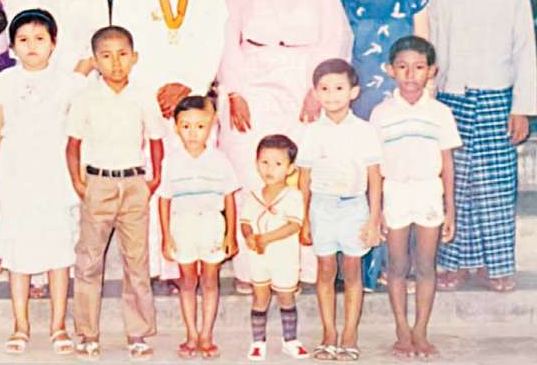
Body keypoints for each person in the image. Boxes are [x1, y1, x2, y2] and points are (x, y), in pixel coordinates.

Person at [217, 0, 353, 293]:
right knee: (250, 167)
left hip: (301, 82)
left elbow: (336, 39)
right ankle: (251, 269)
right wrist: (235, 91)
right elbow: (227, 40)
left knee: (300, 172)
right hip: (252, 78)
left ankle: (301, 268)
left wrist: (317, 90)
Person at [112, 0, 227, 285]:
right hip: (147, 97)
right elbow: (124, 42)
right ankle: (153, 264)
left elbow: (214, 43)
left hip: (193, 102)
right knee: (152, 180)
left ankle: (188, 263)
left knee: (192, 182)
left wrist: (189, 89)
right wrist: (155, 90)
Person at [426, 0, 536, 292]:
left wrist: (522, 107)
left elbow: (525, 48)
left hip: (496, 99)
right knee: (455, 184)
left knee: (495, 185)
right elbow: (430, 52)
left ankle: (498, 265)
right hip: (451, 99)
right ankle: (456, 263)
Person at [0, 9, 92, 355]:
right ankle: (21, 325)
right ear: (12, 46)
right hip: (15, 175)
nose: (32, 46)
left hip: (55, 175)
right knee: (19, 253)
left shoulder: (70, 83)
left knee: (59, 252)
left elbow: (79, 135)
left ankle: (59, 326)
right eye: (24, 39)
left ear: (53, 44)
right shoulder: (2, 83)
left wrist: (80, 179)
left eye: (40, 39)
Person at [340, 0, 429, 290]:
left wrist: (423, 103)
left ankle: (399, 265)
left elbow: (424, 52)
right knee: (363, 182)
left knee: (400, 181)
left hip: (403, 101)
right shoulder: (344, 0)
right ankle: (361, 265)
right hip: (360, 103)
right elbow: (341, 54)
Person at [66, 26, 164, 361]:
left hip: (134, 183)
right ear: (95, 61)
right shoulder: (85, 97)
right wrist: (79, 182)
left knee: (137, 261)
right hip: (98, 183)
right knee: (89, 261)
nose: (116, 63)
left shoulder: (143, 95)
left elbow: (155, 140)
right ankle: (87, 333)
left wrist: (153, 178)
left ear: (134, 57)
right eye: (106, 56)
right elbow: (72, 144)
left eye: (123, 54)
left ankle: (137, 333)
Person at [369, 36, 461, 359]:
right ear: (390, 70)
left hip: (428, 192)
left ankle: (420, 329)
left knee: (425, 265)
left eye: (419, 67)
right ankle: (401, 328)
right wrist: (376, 210)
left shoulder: (440, 113)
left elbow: (447, 164)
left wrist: (450, 210)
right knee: (397, 265)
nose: (410, 75)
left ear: (431, 71)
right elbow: (374, 167)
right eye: (403, 67)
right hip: (395, 192)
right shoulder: (381, 114)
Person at [298, 59, 383, 362]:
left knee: (352, 271)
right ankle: (328, 333)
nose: (331, 95)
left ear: (353, 92)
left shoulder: (364, 131)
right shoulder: (312, 132)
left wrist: (373, 220)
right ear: (315, 93)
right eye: (324, 89)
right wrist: (304, 219)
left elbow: (375, 178)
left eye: (338, 88)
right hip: (322, 207)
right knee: (324, 270)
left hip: (354, 207)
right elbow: (304, 179)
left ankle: (349, 334)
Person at [157, 96, 238, 359]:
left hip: (211, 225)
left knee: (210, 282)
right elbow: (164, 200)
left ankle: (206, 335)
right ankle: (191, 334)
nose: (193, 133)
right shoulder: (171, 161)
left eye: (200, 126)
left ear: (211, 125)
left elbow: (229, 199)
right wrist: (166, 237)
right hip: (183, 226)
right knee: (188, 282)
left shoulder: (220, 160)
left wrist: (230, 235)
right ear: (176, 127)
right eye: (186, 126)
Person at [241, 135, 308, 361]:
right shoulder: (252, 196)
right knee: (260, 298)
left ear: (290, 168)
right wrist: (250, 237)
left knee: (286, 298)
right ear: (256, 163)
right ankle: (258, 342)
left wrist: (265, 239)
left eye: (278, 164)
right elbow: (245, 222)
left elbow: (293, 226)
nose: (269, 169)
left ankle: (290, 340)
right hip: (258, 258)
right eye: (264, 162)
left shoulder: (293, 196)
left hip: (284, 259)